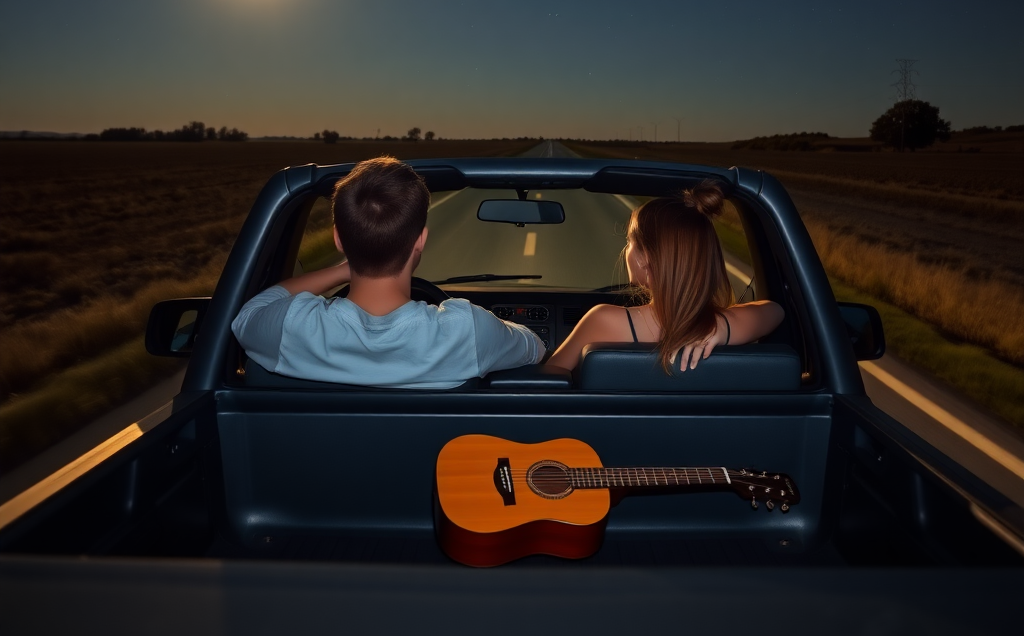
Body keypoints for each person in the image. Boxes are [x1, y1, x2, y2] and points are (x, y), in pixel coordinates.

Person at [232, 156, 544, 388]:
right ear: (420, 240)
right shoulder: (468, 330)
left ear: (338, 238)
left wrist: (342, 272)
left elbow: (249, 314)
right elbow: (535, 348)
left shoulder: (292, 328)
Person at [547, 181, 784, 373]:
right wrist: (720, 328)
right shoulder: (721, 326)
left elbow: (550, 379)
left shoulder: (603, 320)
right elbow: (776, 311)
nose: (626, 250)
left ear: (644, 257)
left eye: (630, 242)